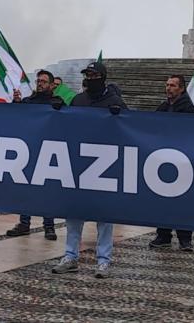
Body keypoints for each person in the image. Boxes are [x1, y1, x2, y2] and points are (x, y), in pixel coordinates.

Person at [52, 62, 126, 279]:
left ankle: (103, 260)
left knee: (104, 217)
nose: (89, 78)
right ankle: (70, 256)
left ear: (101, 77)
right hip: (80, 163)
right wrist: (58, 112)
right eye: (87, 74)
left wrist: (119, 116)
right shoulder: (78, 100)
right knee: (74, 214)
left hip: (105, 166)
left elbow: (129, 130)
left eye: (93, 75)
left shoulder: (115, 102)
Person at [7, 70, 63, 241]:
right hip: (29, 150)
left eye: (44, 81)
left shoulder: (57, 103)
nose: (40, 83)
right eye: (38, 80)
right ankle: (24, 223)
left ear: (52, 85)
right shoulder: (27, 101)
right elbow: (16, 120)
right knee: (26, 189)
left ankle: (49, 226)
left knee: (47, 191)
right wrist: (15, 103)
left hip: (48, 151)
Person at [150, 74, 194, 251]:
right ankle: (163, 235)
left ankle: (185, 238)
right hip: (164, 160)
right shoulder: (162, 108)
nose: (168, 88)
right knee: (163, 200)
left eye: (172, 85)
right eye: (167, 84)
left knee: (183, 202)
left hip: (183, 161)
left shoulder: (189, 111)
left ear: (181, 88)